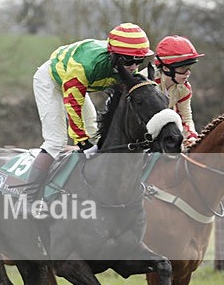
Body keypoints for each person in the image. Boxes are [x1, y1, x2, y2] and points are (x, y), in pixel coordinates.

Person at [22, 22, 155, 205]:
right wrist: (81, 142)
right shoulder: (87, 66)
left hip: (77, 86)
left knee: (95, 133)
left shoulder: (127, 67)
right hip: (51, 80)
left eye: (139, 61)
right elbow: (72, 104)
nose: (133, 66)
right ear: (114, 56)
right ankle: (27, 199)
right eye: (129, 60)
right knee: (56, 141)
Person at [153, 35, 204, 148]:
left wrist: (191, 137)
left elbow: (185, 119)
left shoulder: (185, 89)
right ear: (166, 68)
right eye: (182, 68)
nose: (188, 73)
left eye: (189, 67)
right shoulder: (147, 82)